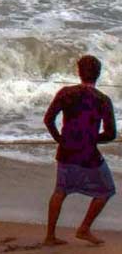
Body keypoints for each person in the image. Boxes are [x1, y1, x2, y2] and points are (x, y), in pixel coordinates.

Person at [43, 55, 117, 246]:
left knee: (60, 191)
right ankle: (84, 229)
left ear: (79, 72)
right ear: (98, 75)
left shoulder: (66, 93)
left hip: (66, 151)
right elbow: (110, 134)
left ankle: (50, 236)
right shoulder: (103, 100)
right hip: (88, 154)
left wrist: (59, 138)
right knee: (106, 190)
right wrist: (92, 138)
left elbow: (48, 119)